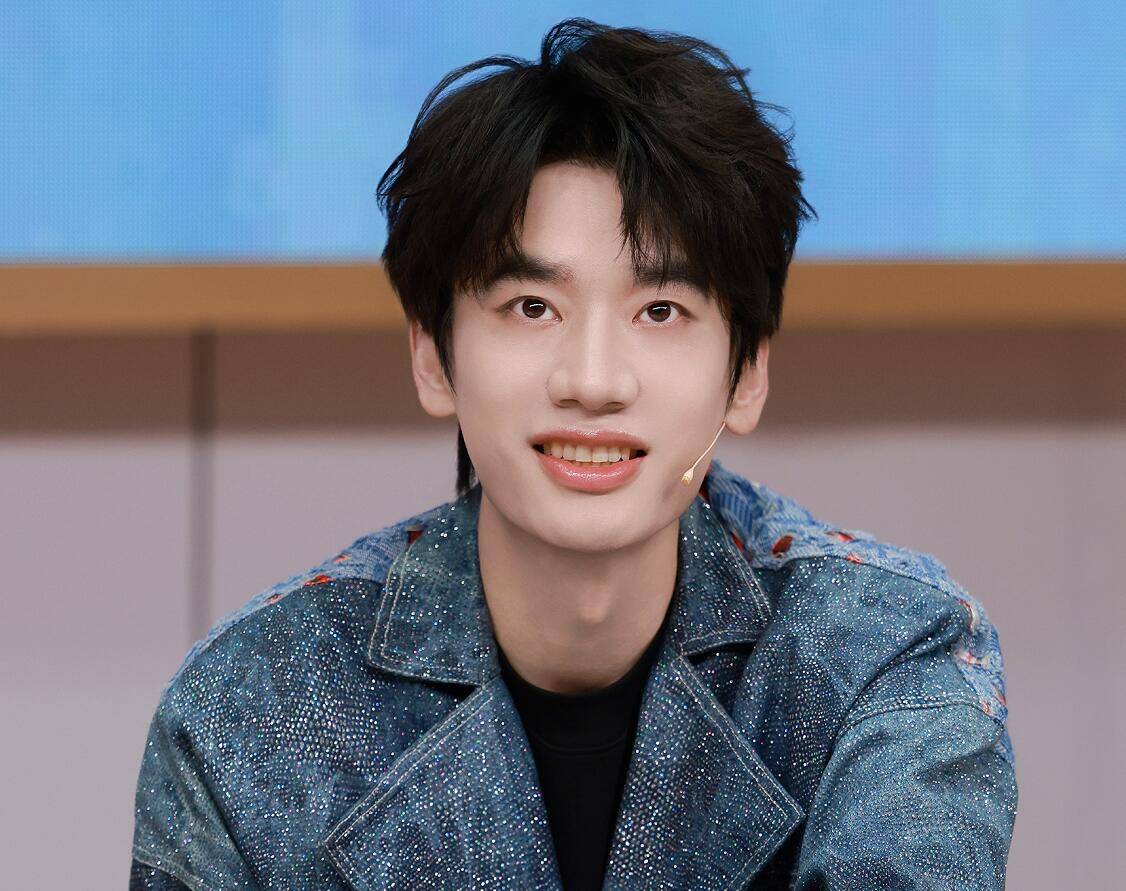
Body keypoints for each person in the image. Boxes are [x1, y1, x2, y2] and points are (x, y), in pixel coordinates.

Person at [129, 17, 1017, 890]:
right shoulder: (256, 706)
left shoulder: (883, 655)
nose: (593, 382)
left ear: (746, 374)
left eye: (660, 311)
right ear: (433, 356)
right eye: (532, 307)